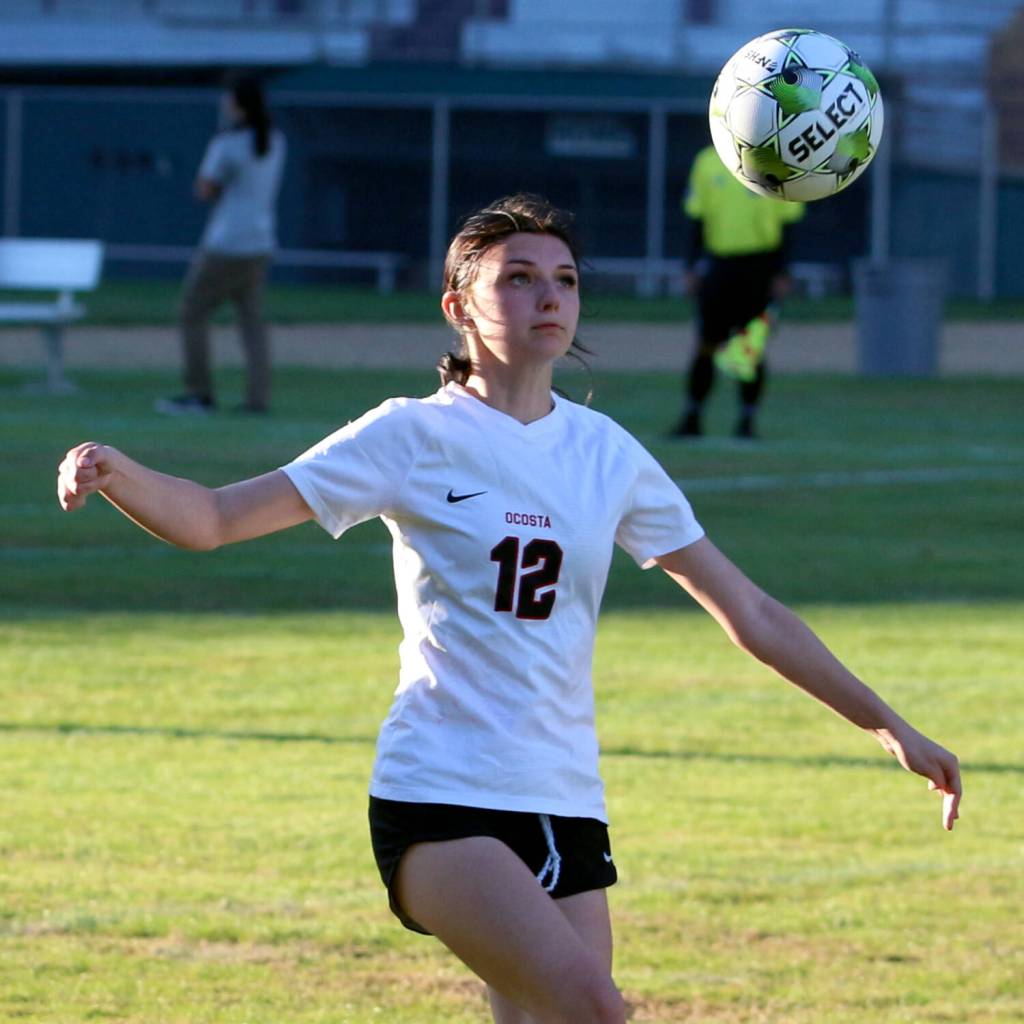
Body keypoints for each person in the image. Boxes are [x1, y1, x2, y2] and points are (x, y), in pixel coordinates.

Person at [59, 194, 961, 1024]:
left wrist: (889, 726)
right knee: (596, 1011)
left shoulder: (607, 453)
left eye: (564, 279)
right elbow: (214, 518)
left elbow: (751, 612)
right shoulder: (410, 433)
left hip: (566, 799)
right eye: (518, 277)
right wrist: (115, 471)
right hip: (441, 794)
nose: (549, 296)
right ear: (458, 306)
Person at [156, 75, 286, 417]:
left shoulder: (227, 143)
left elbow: (205, 189)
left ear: (238, 104)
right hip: (260, 240)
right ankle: (258, 398)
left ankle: (199, 393)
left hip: (227, 242)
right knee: (251, 322)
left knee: (191, 312)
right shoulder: (274, 140)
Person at [672, 144, 805, 440]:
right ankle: (692, 418)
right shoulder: (706, 161)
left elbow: (789, 221)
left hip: (760, 268)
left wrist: (782, 271)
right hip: (719, 266)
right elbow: (697, 217)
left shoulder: (776, 160)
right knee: (706, 344)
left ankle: (746, 421)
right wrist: (691, 266)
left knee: (748, 348)